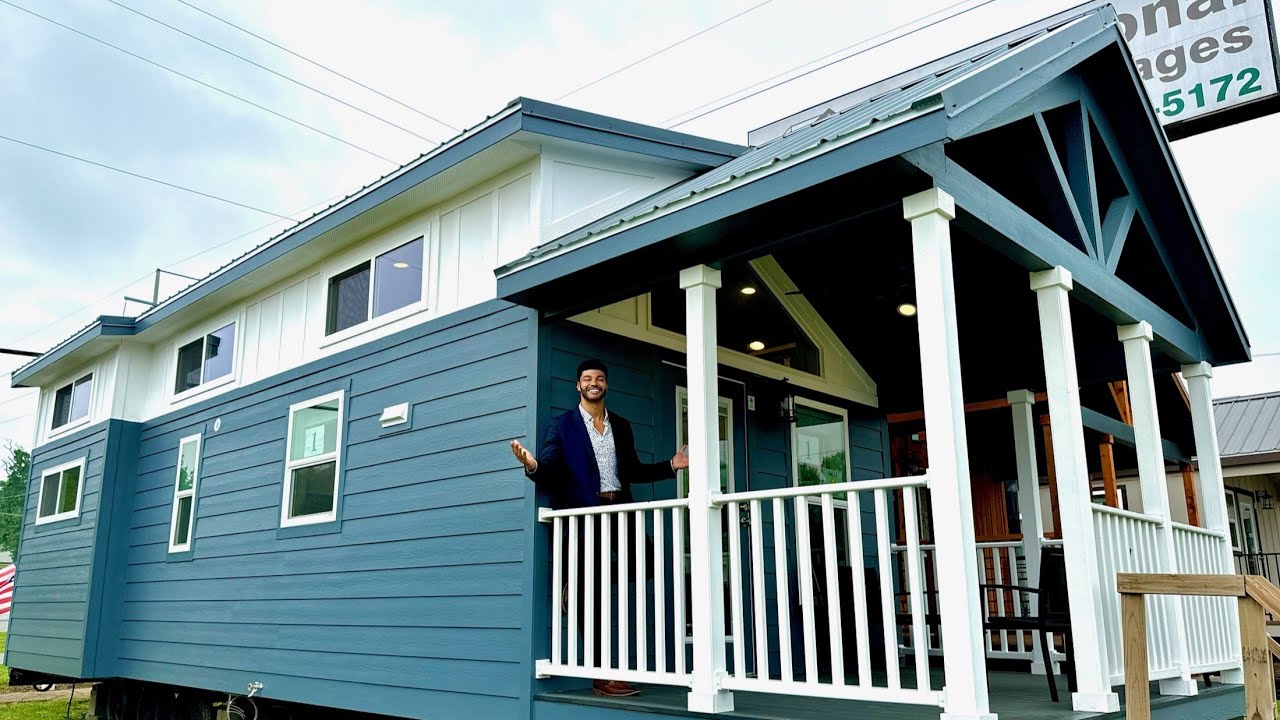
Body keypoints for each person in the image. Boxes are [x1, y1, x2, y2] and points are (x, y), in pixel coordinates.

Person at [511, 358, 688, 698]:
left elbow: (632, 469)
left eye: (600, 378)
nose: (594, 382)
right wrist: (531, 465)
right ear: (578, 385)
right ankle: (601, 675)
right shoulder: (563, 426)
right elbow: (549, 469)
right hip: (582, 515)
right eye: (588, 378)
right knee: (588, 601)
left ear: (606, 385)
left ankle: (575, 585)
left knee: (648, 561)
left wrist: (671, 465)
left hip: (618, 509)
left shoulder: (620, 425)